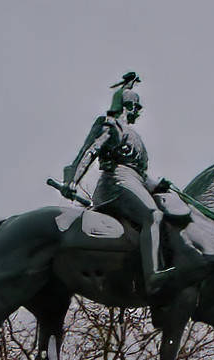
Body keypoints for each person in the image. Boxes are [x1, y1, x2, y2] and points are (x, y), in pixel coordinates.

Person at [62, 72, 172, 295]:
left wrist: (155, 185)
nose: (138, 112)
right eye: (136, 107)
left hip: (133, 183)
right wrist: (72, 181)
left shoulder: (135, 137)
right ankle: (152, 275)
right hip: (115, 183)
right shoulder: (109, 125)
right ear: (127, 106)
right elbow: (89, 152)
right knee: (153, 216)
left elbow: (140, 173)